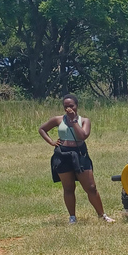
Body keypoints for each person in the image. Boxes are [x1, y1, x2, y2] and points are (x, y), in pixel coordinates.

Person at [38, 94, 114, 224]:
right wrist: (51, 142)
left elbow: (83, 135)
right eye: (66, 106)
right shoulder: (58, 119)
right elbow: (42, 129)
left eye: (71, 106)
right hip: (63, 155)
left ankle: (102, 215)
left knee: (91, 187)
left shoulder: (84, 121)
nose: (68, 109)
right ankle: (72, 217)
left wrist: (73, 121)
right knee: (68, 188)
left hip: (79, 154)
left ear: (76, 106)